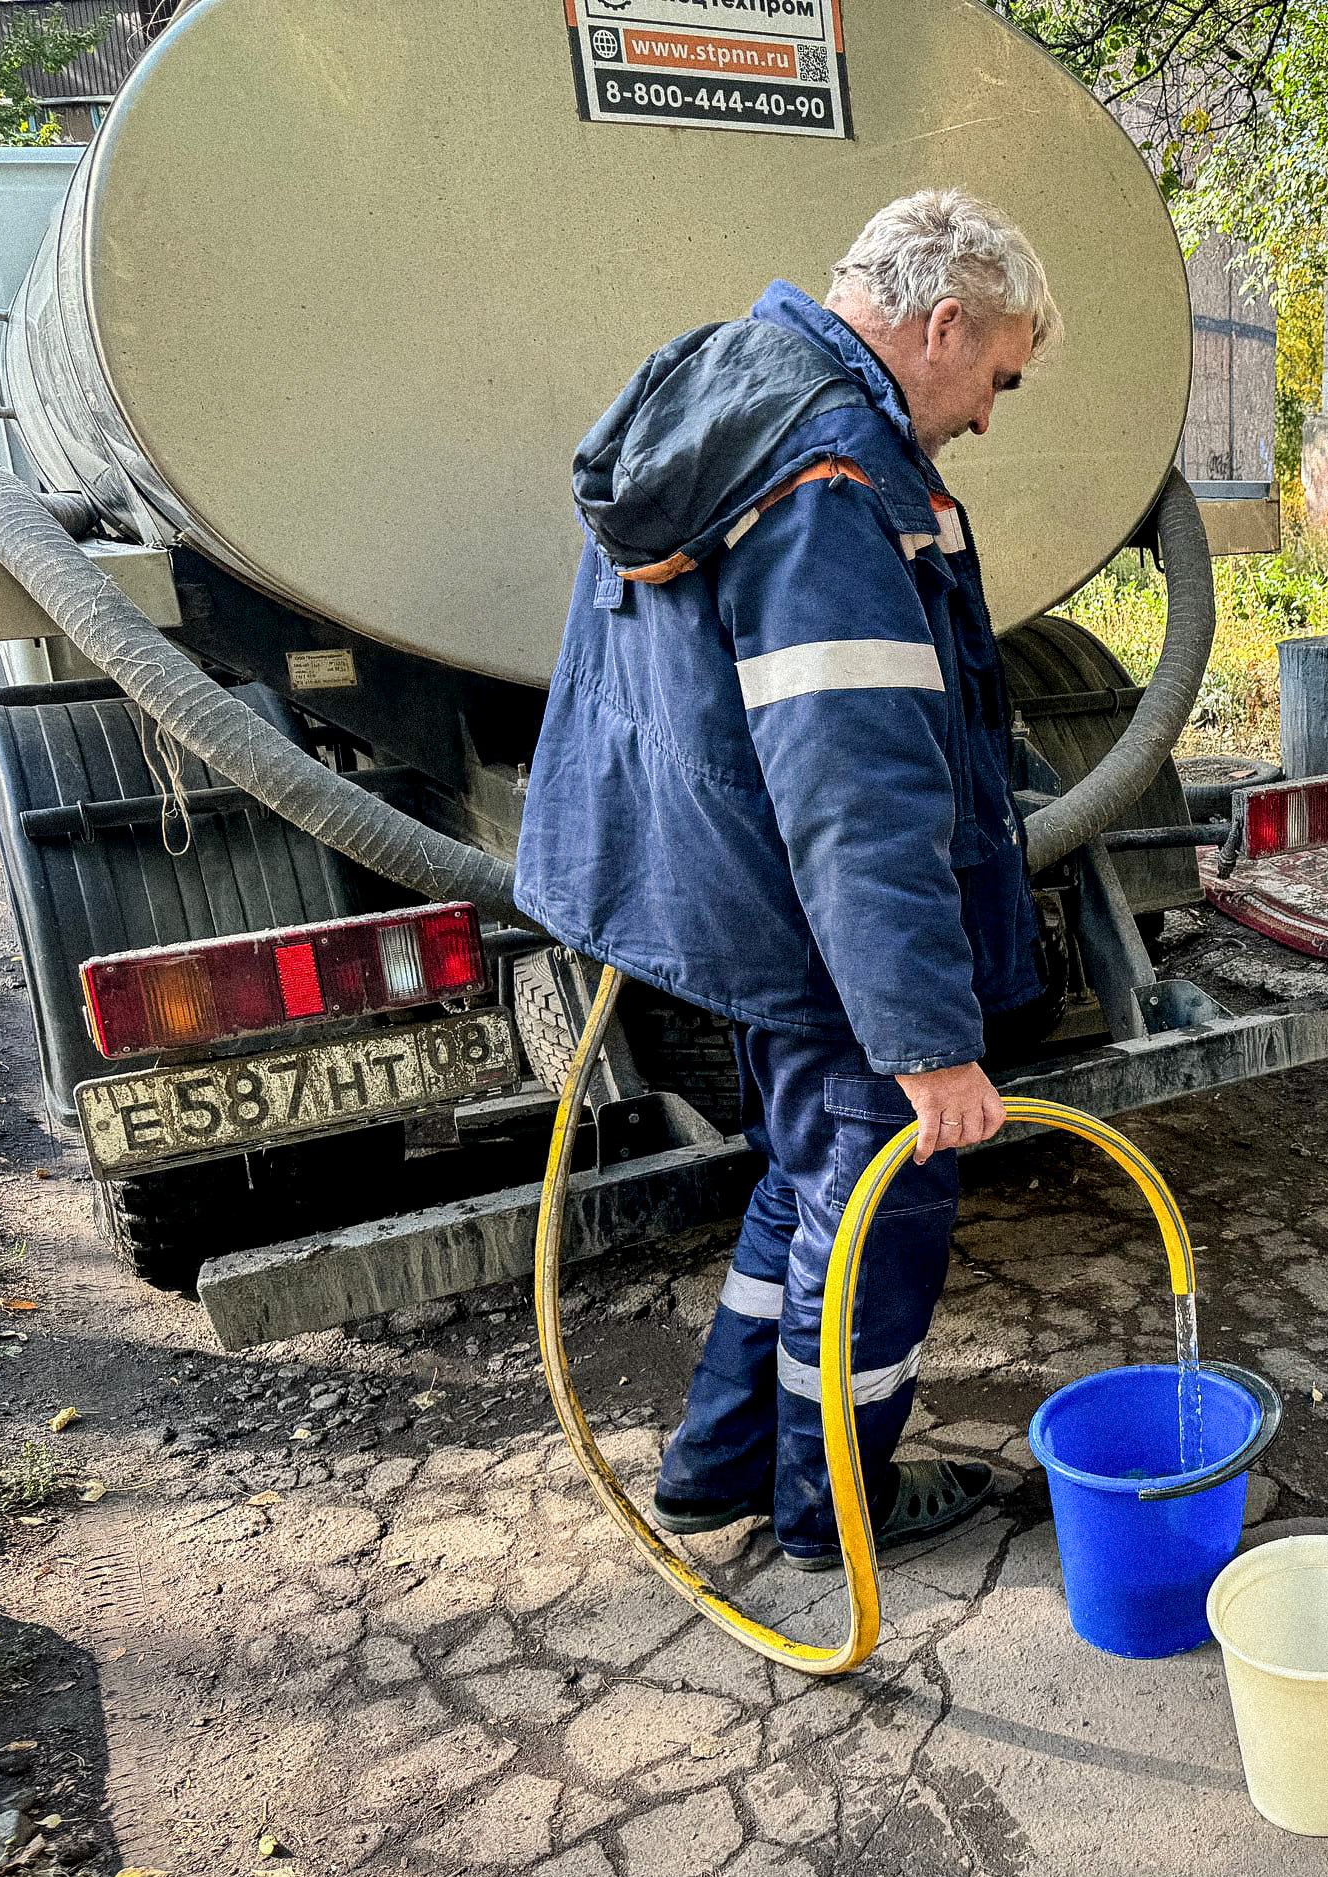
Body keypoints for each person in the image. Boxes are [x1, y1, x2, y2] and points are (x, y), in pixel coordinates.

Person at [514, 189, 1060, 1568]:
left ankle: (716, 1469)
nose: (990, 415)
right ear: (943, 323)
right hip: (823, 936)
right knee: (879, 1206)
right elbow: (857, 790)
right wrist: (929, 1040)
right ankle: (835, 1512)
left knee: (808, 1185)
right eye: (997, 376)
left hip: (752, 915)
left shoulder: (732, 395)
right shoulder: (830, 470)